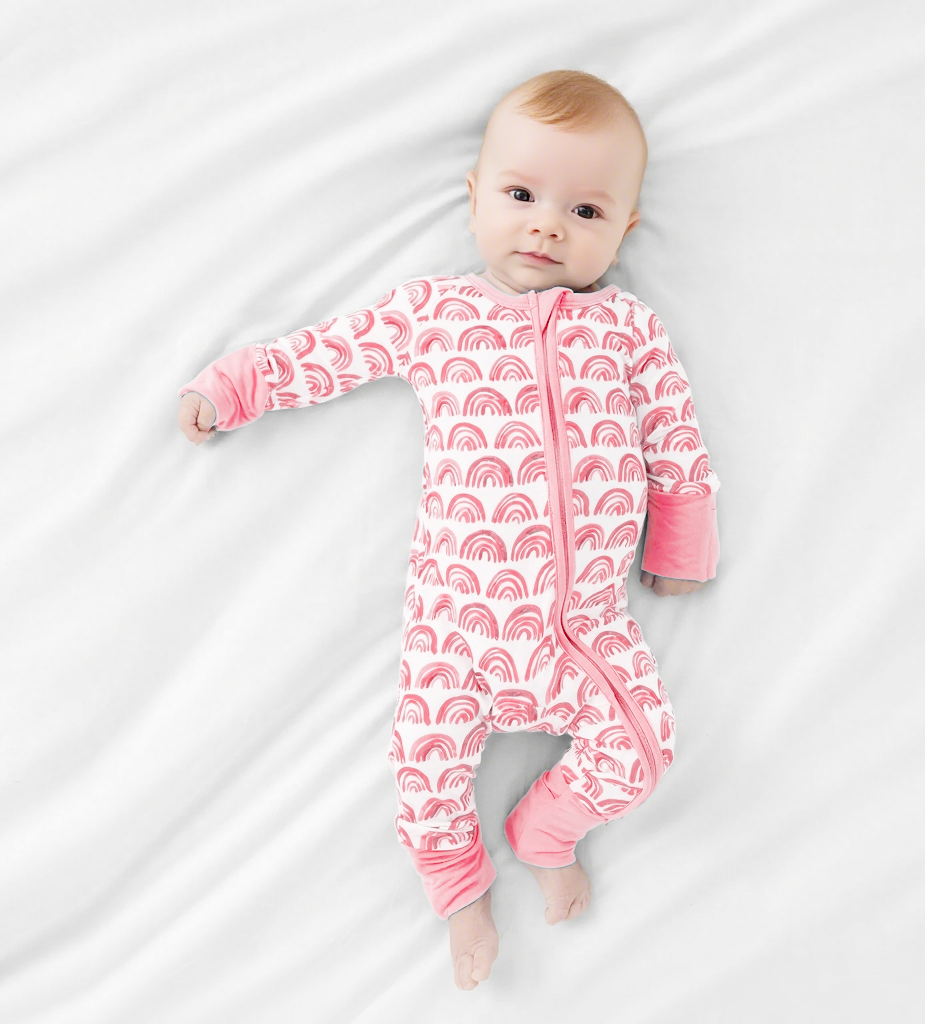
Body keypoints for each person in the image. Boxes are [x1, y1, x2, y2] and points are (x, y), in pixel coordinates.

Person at [177, 69, 721, 992]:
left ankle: (544, 830)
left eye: (586, 211)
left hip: (584, 630)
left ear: (625, 230)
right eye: (521, 196)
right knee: (423, 774)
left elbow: (676, 439)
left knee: (643, 751)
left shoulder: (628, 330)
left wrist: (680, 543)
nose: (548, 226)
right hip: (457, 630)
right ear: (473, 200)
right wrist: (237, 386)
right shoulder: (439, 314)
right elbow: (332, 351)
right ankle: (462, 895)